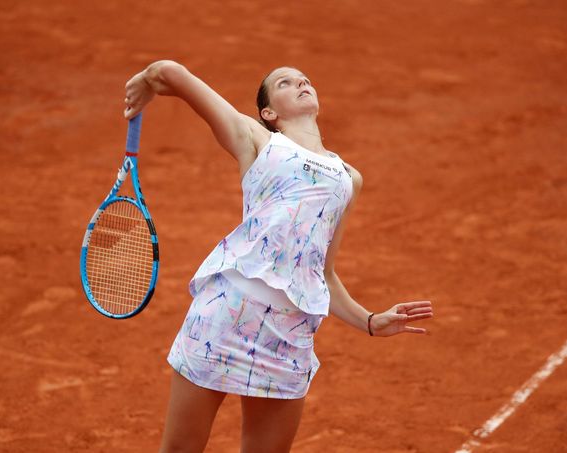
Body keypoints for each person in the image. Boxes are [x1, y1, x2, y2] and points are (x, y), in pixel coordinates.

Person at [123, 60, 433, 453]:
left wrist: (369, 321)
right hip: (225, 318)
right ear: (269, 113)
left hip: (289, 337)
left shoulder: (348, 178)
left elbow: (323, 275)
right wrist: (147, 83)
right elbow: (170, 72)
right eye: (285, 83)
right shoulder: (256, 139)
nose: (301, 82)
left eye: (305, 78)